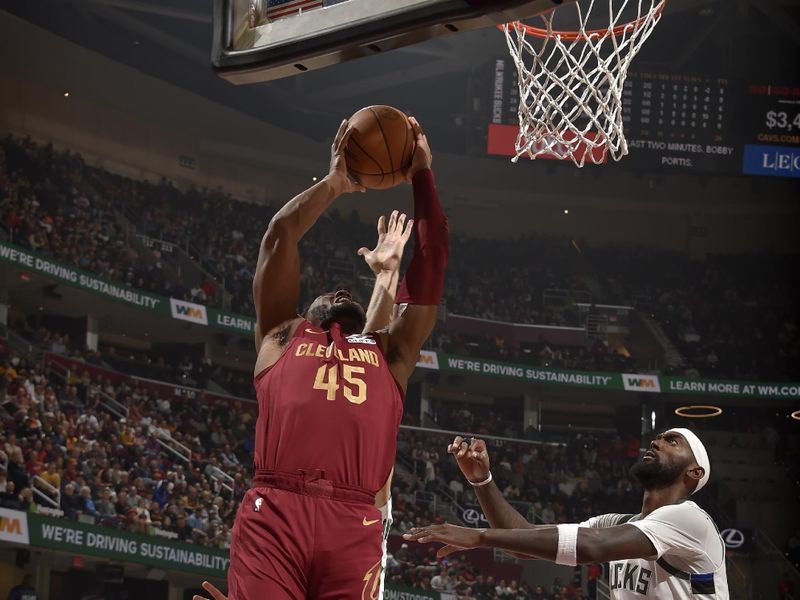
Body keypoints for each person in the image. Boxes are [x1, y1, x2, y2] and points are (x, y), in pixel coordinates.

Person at [227, 117, 447, 600]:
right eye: (333, 291)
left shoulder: (386, 353)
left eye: (351, 292)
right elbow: (280, 235)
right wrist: (335, 184)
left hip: (355, 520)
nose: (343, 291)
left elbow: (431, 265)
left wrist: (423, 176)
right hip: (275, 514)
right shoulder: (281, 335)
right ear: (308, 314)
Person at [404, 428, 729, 599]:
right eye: (658, 437)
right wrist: (483, 482)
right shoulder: (616, 525)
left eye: (672, 441)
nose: (657, 441)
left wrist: (478, 536)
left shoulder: (690, 519)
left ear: (695, 472)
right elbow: (522, 541)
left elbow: (591, 547)